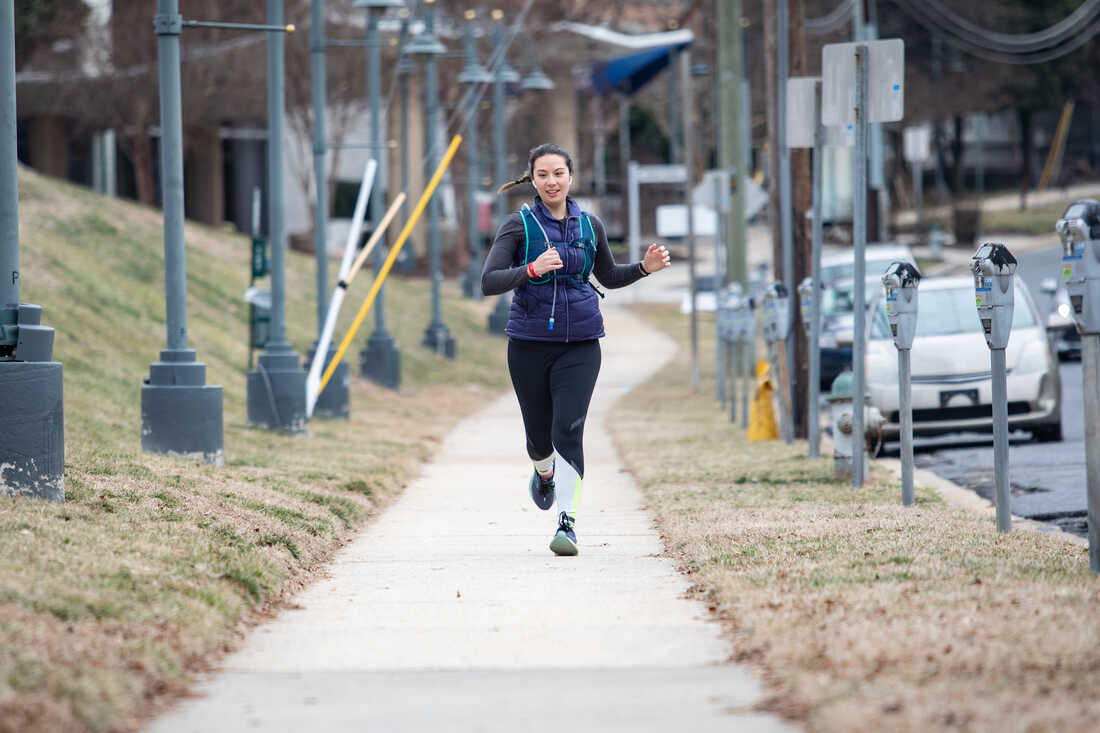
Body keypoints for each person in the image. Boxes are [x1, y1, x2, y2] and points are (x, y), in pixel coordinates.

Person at [481, 143, 671, 556]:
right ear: (532, 179)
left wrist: (643, 269)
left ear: (571, 177)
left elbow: (608, 274)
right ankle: (543, 471)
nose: (552, 181)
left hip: (582, 344)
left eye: (559, 173)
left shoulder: (590, 226)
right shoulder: (519, 225)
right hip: (529, 344)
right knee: (538, 438)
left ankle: (566, 523)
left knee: (568, 428)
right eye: (543, 174)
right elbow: (489, 280)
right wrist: (530, 269)